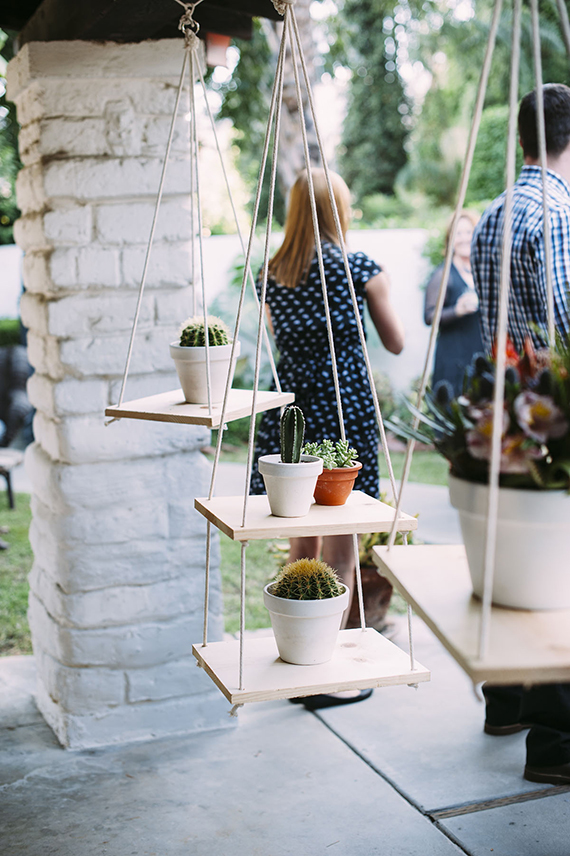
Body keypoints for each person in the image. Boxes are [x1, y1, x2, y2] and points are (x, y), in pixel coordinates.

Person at [250, 168, 405, 708]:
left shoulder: (269, 274)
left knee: (299, 535)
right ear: (340, 208)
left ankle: (300, 662)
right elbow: (397, 342)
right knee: (341, 535)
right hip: (345, 408)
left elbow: (281, 341)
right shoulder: (359, 268)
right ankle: (330, 673)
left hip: (291, 410)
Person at [471, 83, 570, 786]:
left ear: (522, 138)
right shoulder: (560, 213)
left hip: (506, 415)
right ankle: (557, 739)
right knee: (559, 579)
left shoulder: (493, 213)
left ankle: (506, 699)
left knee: (518, 561)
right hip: (555, 418)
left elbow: (500, 331)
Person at [424, 210, 483, 396]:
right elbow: (429, 317)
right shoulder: (443, 275)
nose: (464, 238)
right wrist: (457, 310)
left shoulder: (483, 271)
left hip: (482, 356)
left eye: (469, 232)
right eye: (458, 234)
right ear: (450, 240)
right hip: (453, 357)